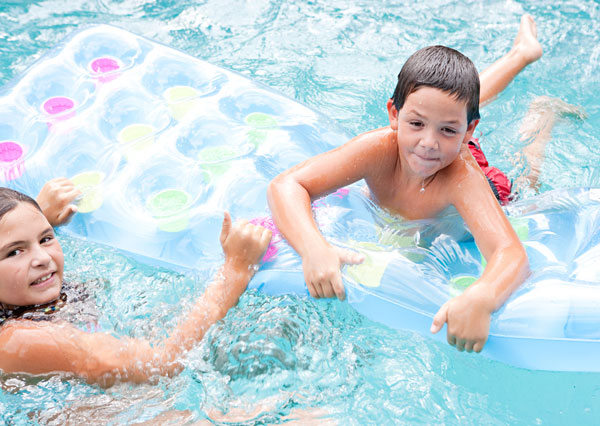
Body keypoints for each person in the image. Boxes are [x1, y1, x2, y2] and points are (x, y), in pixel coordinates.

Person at [267, 14, 567, 354]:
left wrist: (483, 295)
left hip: (483, 180)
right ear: (394, 115)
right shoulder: (378, 149)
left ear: (469, 134)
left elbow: (510, 253)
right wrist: (314, 248)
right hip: (447, 136)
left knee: (526, 178)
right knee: (449, 100)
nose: (428, 143)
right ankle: (521, 54)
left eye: (449, 131)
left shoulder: (462, 178)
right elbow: (287, 184)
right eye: (415, 123)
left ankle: (543, 116)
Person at [0, 184, 272, 386]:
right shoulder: (18, 339)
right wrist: (236, 269)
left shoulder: (28, 299)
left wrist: (35, 215)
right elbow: (163, 364)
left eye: (45, 238)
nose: (42, 258)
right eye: (14, 252)